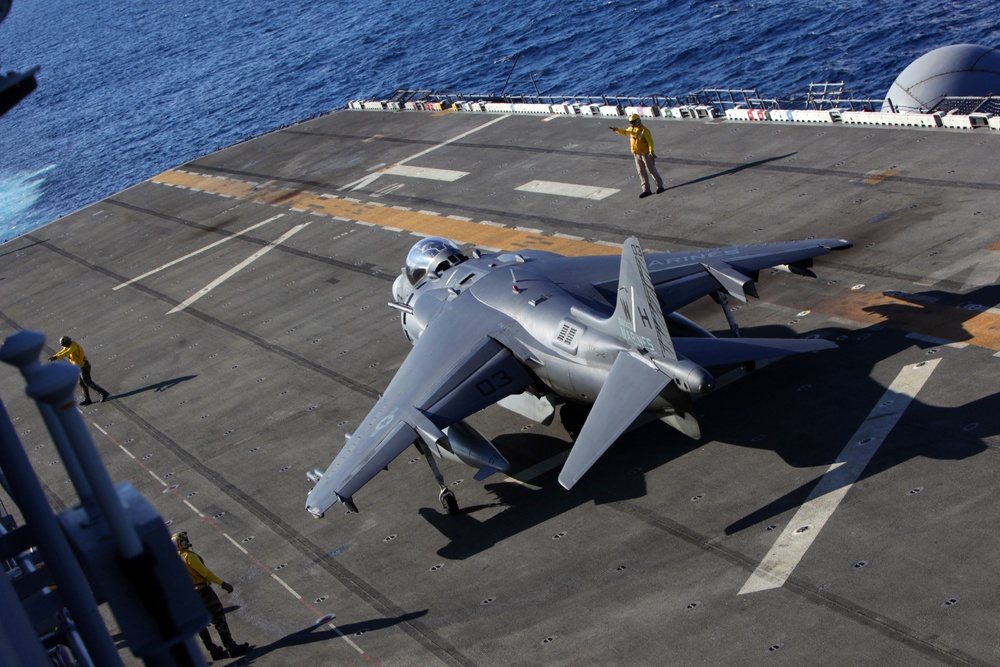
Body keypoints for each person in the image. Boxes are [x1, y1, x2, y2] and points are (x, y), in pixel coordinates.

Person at [172, 531, 250, 660]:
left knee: (200, 627)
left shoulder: (174, 561)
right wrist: (222, 583)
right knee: (219, 619)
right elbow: (206, 573)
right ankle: (231, 648)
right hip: (203, 592)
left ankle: (213, 651)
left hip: (189, 596)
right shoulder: (189, 557)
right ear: (182, 543)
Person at [610, 114, 666, 198]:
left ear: (638, 121)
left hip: (645, 153)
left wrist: (651, 151)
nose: (632, 124)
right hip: (636, 154)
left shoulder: (644, 130)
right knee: (641, 172)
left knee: (651, 170)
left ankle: (660, 186)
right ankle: (646, 190)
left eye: (633, 122)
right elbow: (625, 132)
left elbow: (650, 142)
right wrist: (617, 130)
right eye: (630, 122)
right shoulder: (631, 129)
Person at [47, 335, 111, 405]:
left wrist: (56, 357)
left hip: (84, 366)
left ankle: (104, 393)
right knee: (82, 384)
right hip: (80, 367)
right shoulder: (69, 345)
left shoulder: (73, 346)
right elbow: (63, 350)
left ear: (68, 342)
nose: (65, 346)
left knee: (88, 382)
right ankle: (87, 399)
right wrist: (55, 356)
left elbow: (67, 353)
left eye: (65, 344)